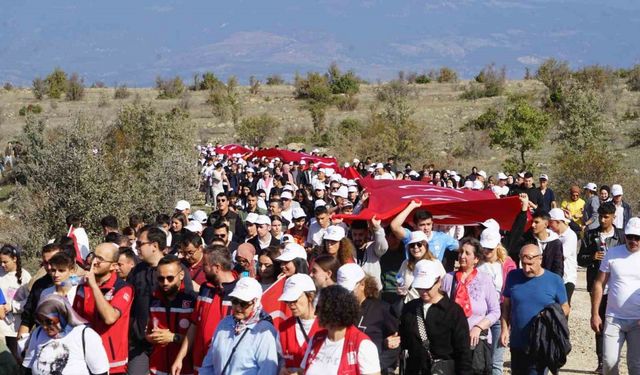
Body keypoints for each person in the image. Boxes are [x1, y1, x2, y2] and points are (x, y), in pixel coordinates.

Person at [128, 225, 194, 374]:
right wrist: (134, 330)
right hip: (141, 343)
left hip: (170, 342)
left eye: (140, 244)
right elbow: (131, 304)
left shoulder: (177, 269)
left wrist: (175, 336)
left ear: (154, 246)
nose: (136, 247)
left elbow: (187, 303)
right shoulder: (137, 271)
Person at [501, 244, 570, 374]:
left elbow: (565, 307)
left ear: (540, 259)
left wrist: (550, 315)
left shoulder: (555, 280)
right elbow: (506, 305)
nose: (527, 268)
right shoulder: (513, 276)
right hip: (517, 342)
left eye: (531, 264)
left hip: (541, 342)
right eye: (524, 263)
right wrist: (505, 329)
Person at [172, 245, 239, 373]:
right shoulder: (205, 289)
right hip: (201, 365)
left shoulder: (240, 293)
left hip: (226, 367)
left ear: (217, 267)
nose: (202, 269)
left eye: (205, 265)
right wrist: (180, 358)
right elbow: (194, 325)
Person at [399, 259, 472, 374]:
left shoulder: (453, 311)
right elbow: (403, 341)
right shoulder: (410, 308)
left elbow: (463, 352)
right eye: (419, 287)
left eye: (427, 287)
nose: (423, 292)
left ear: (438, 281)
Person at [441, 238, 501, 375]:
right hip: (453, 341)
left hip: (477, 342)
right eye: (461, 252)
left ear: (476, 259)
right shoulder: (448, 279)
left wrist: (478, 327)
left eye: (467, 253)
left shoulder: (485, 279)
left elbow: (495, 311)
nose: (462, 256)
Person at [72, 243, 133, 375]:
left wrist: (94, 286)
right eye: (93, 256)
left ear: (114, 266)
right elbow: (74, 319)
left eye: (100, 259)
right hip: (84, 358)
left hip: (111, 362)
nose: (94, 262)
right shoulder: (83, 286)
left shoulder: (122, 289)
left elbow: (110, 318)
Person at [578, 202, 626, 372]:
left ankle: (616, 358)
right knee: (598, 322)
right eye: (600, 216)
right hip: (598, 286)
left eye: (606, 217)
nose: (603, 220)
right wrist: (592, 257)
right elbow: (580, 259)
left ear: (614, 217)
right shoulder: (591, 235)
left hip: (618, 287)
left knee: (618, 323)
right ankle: (601, 362)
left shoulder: (622, 236)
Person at [199, 277, 279, 375]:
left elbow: (268, 371)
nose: (238, 307)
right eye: (235, 301)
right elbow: (208, 365)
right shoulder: (224, 324)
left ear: (255, 303)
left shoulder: (265, 332)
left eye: (244, 303)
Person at [590, 217, 640, 375]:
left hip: (637, 320)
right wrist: (595, 314)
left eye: (637, 237)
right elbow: (599, 283)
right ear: (625, 235)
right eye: (630, 236)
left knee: (636, 365)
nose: (633, 241)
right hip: (613, 317)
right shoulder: (612, 253)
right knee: (609, 363)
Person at [302, 284, 381, 375]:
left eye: (318, 308)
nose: (315, 313)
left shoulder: (363, 345)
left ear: (333, 310)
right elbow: (302, 371)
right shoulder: (315, 339)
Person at [21, 294, 109, 375]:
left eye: (49, 321)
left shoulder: (85, 335)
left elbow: (101, 372)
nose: (44, 327)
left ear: (62, 315)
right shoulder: (38, 333)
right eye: (41, 321)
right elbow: (28, 367)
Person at [337, 264, 400, 374]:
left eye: (349, 291)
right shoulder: (337, 309)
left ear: (362, 285)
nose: (345, 296)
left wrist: (375, 366)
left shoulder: (382, 309)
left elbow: (395, 344)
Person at [146, 255, 197, 375]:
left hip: (185, 369)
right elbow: (146, 332)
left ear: (181, 275)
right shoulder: (152, 299)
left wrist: (174, 337)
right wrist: (151, 338)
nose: (165, 283)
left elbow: (200, 339)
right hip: (157, 368)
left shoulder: (193, 300)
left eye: (170, 278)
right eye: (160, 278)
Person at [477, 228, 516, 375]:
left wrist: (508, 324)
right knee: (479, 359)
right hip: (481, 314)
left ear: (497, 246)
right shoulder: (477, 263)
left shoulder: (507, 264)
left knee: (496, 361)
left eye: (490, 248)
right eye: (484, 247)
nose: (486, 251)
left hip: (500, 313)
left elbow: (510, 293)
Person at [390, 200, 458, 268]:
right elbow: (394, 226)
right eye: (422, 225)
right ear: (415, 226)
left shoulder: (442, 237)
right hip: (413, 276)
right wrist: (411, 206)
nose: (426, 228)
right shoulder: (410, 237)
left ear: (432, 224)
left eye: (428, 224)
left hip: (434, 277)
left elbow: (462, 247)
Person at [17, 243, 62, 341]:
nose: (49, 267)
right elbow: (27, 318)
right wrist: (21, 345)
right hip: (42, 340)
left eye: (53, 261)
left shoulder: (75, 284)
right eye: (46, 263)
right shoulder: (39, 285)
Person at [278, 274, 320, 373]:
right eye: (287, 301)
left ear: (310, 296)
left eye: (295, 299)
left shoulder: (327, 327)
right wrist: (282, 368)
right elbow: (280, 359)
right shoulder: (284, 328)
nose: (291, 305)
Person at [396, 231, 441, 303]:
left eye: (419, 244)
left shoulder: (435, 263)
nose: (415, 247)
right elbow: (399, 280)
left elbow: (442, 285)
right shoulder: (406, 263)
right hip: (409, 306)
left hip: (428, 305)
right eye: (412, 245)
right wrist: (400, 290)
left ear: (426, 245)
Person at [548, 208, 578, 304]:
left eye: (551, 223)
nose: (549, 226)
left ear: (557, 222)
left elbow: (561, 255)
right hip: (553, 277)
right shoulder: (552, 235)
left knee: (563, 308)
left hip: (567, 279)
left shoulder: (570, 236)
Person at [350, 218, 388, 287]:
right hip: (355, 290)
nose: (357, 238)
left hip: (373, 291)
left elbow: (383, 247)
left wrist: (377, 228)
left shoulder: (373, 247)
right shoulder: (349, 249)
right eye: (354, 235)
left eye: (360, 235)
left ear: (366, 233)